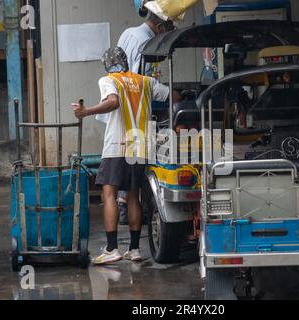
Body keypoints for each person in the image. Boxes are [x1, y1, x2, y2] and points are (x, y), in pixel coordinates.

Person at [71, 47, 176, 264]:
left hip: (117, 146)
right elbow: (173, 95)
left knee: (109, 194)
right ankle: (135, 249)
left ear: (107, 64)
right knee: (133, 196)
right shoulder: (145, 81)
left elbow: (113, 102)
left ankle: (112, 249)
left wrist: (86, 112)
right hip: (141, 147)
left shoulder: (109, 80)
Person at [117, 4, 175, 225]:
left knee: (129, 161)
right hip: (133, 111)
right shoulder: (147, 42)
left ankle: (126, 204)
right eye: (168, 30)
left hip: (123, 108)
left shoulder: (129, 32)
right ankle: (126, 207)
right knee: (136, 163)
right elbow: (141, 81)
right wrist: (167, 93)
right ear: (160, 26)